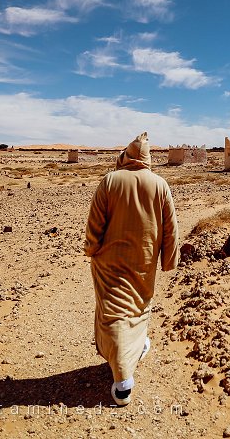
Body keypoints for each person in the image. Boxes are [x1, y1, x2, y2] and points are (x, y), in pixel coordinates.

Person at [84, 132, 179, 406]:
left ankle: (123, 380)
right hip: (143, 261)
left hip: (110, 262)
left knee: (114, 311)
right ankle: (137, 347)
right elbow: (171, 227)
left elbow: (95, 221)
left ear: (127, 156)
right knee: (137, 307)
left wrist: (91, 247)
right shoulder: (160, 184)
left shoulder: (111, 180)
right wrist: (168, 260)